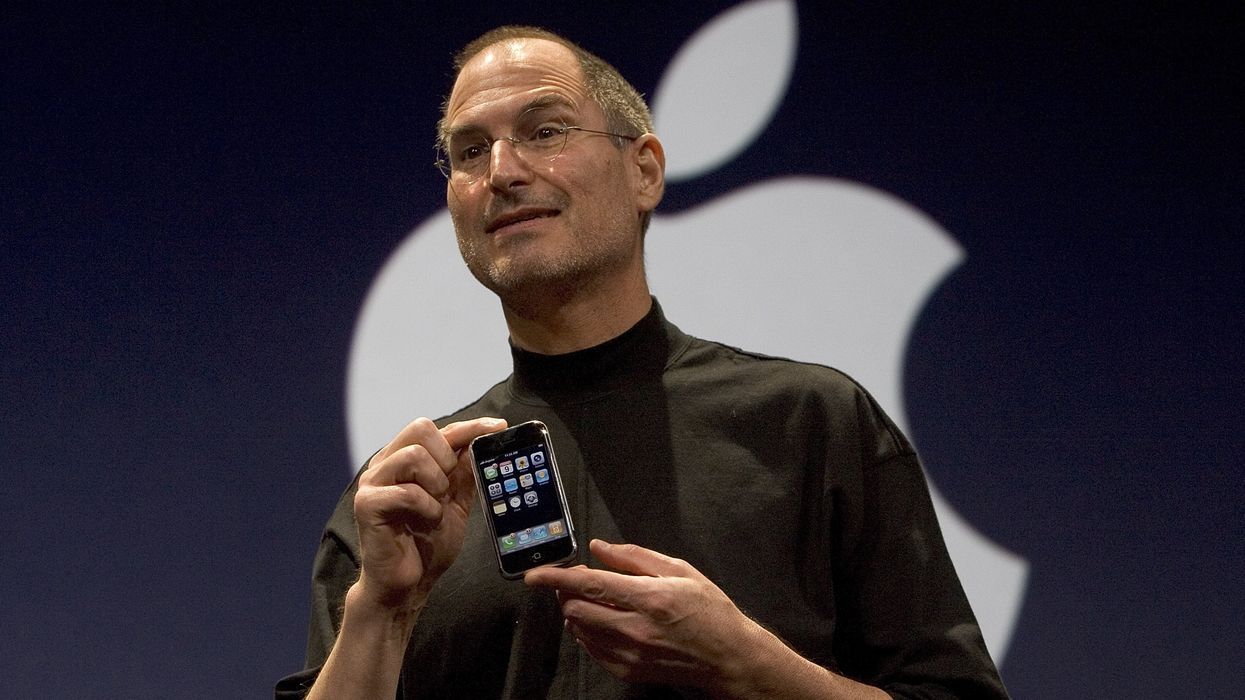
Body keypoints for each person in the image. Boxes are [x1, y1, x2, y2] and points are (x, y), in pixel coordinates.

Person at [276, 25, 1009, 700]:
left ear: (644, 171)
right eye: (470, 151)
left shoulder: (809, 422)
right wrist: (383, 610)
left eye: (544, 131)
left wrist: (749, 665)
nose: (501, 170)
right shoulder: (411, 499)